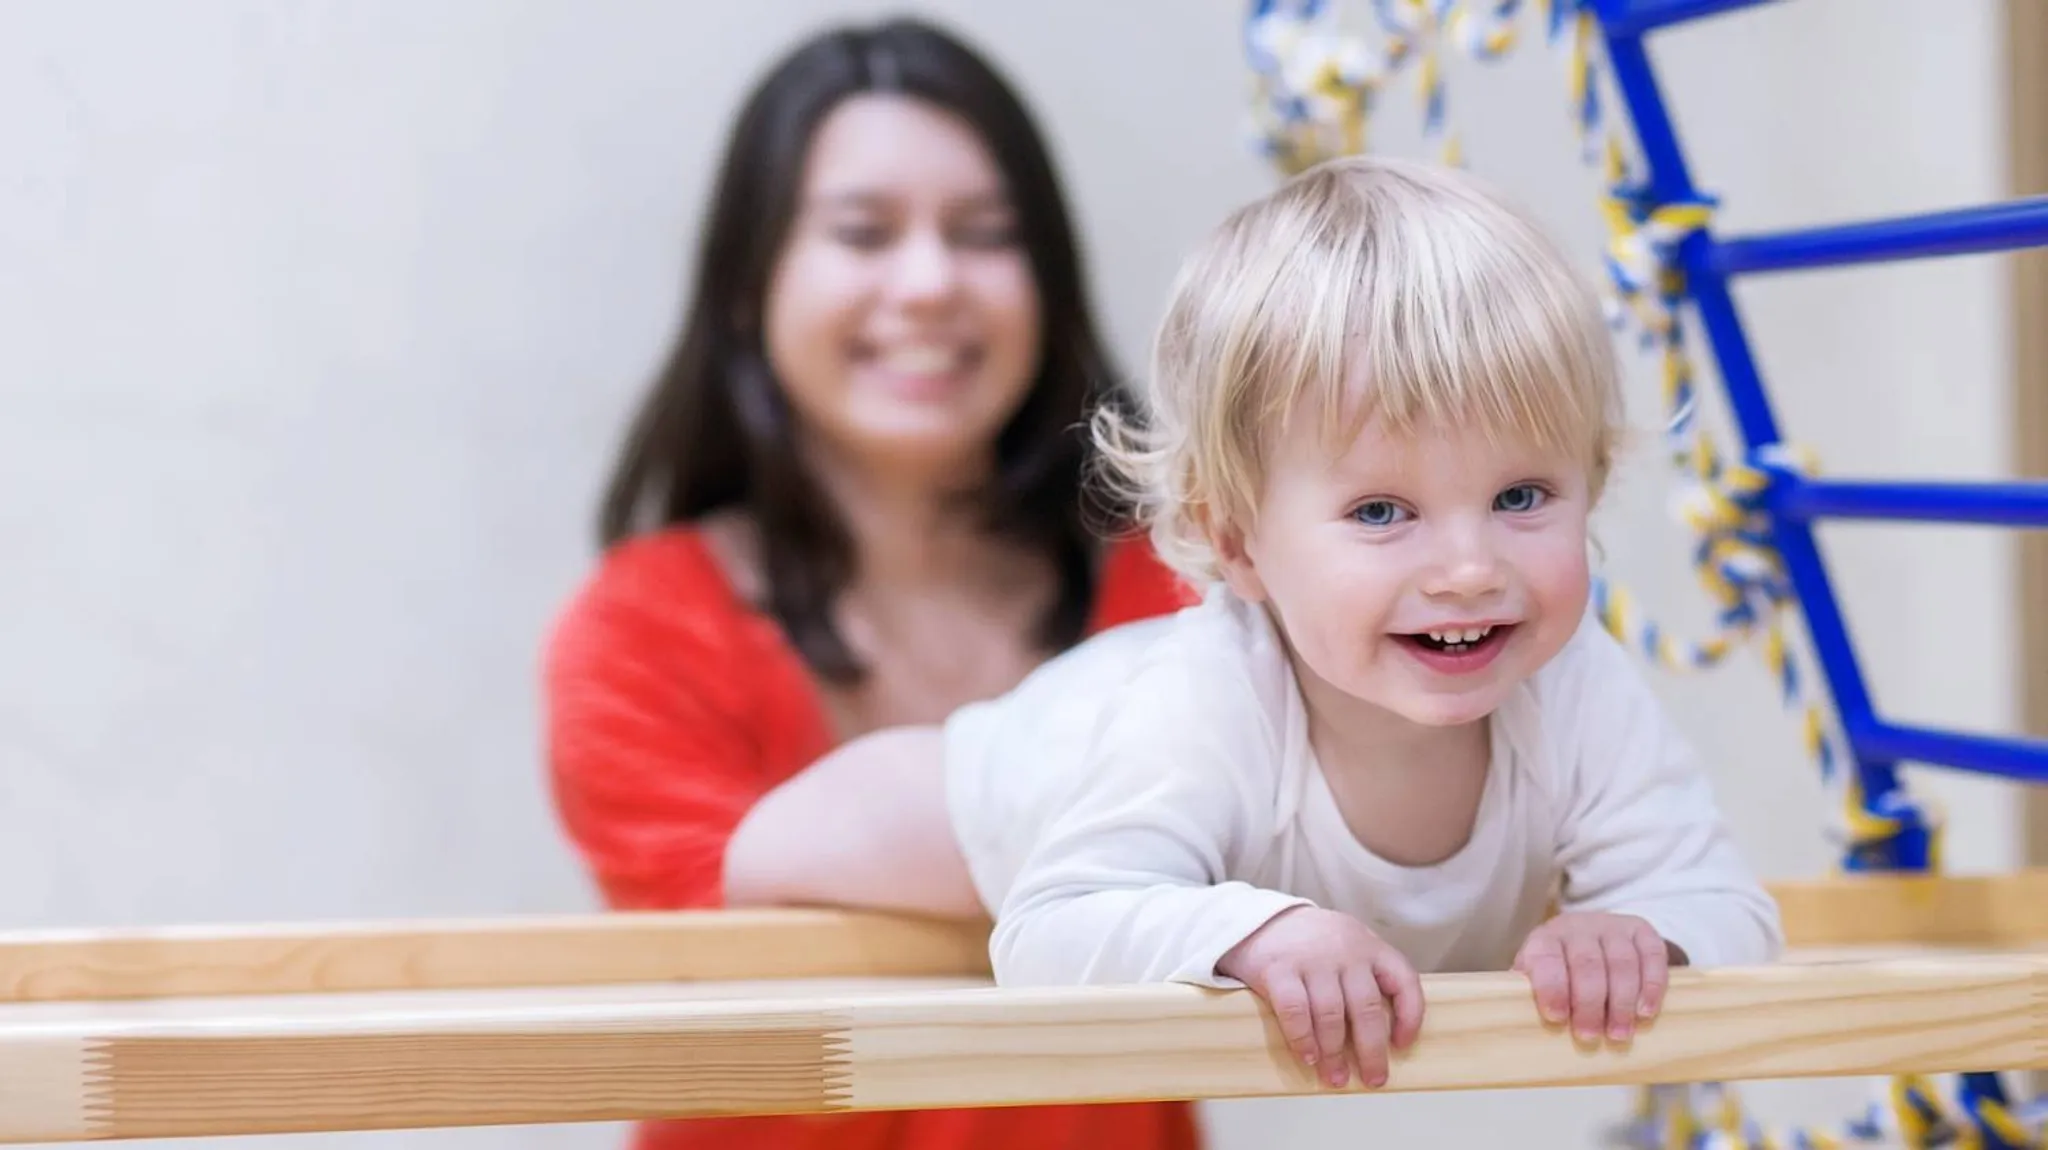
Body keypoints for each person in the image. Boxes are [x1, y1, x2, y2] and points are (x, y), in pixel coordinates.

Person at [728, 155, 1786, 1094]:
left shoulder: (1577, 686)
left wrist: (1643, 932)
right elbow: (1048, 927)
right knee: (777, 852)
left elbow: (1729, 907)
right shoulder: (1204, 703)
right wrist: (1253, 928)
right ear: (1234, 543)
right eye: (1382, 512)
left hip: (1150, 770)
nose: (1471, 570)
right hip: (1018, 775)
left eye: (1521, 497)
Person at [541, 15, 1202, 1150]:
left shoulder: (1186, 589)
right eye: (862, 232)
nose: (930, 283)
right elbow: (733, 973)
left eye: (987, 234)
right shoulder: (639, 634)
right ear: (748, 286)